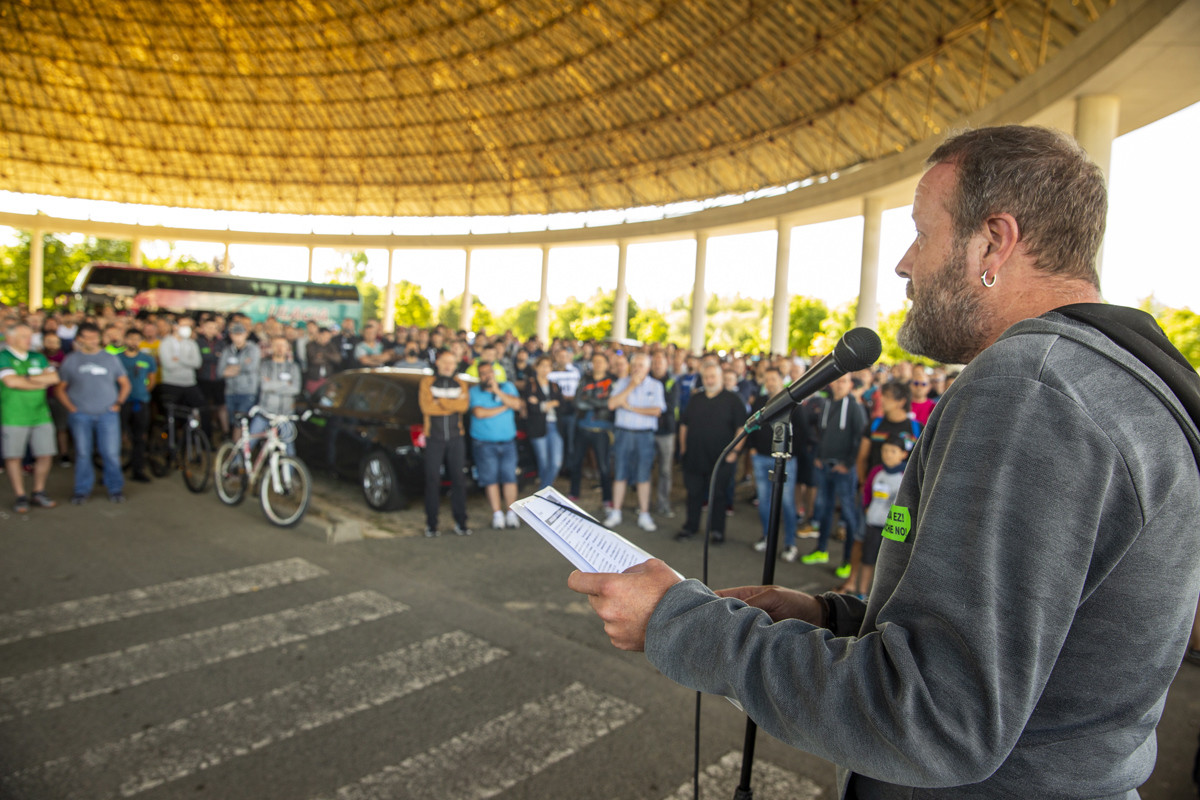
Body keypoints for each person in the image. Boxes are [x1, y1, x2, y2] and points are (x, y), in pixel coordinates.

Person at [567, 125, 1200, 799]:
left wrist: (677, 621)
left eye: (921, 234)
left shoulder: (1031, 385)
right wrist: (834, 618)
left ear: (993, 241)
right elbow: (1033, 638)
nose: (903, 263)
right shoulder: (1124, 376)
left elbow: (936, 717)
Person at [801, 372, 868, 576]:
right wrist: (819, 456)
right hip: (824, 466)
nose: (840, 385)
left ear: (850, 385)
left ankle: (848, 560)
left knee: (848, 514)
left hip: (844, 470)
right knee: (824, 509)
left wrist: (848, 464)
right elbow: (820, 433)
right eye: (837, 381)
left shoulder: (855, 407)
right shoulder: (825, 404)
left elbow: (860, 438)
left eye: (844, 381)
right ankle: (821, 550)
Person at [56, 323, 130, 504]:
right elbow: (60, 388)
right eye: (88, 337)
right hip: (81, 415)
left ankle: (115, 488)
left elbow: (125, 383)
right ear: (79, 339)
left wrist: (118, 403)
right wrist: (71, 408)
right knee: (83, 453)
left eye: (95, 337)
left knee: (111, 454)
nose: (92, 341)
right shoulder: (71, 360)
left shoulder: (110, 358)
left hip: (108, 414)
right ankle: (82, 490)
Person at [675, 362, 746, 543]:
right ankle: (690, 526)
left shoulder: (733, 400)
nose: (709, 380)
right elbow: (684, 424)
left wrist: (734, 452)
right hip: (694, 456)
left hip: (721, 459)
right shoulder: (696, 399)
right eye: (706, 377)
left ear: (721, 378)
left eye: (713, 376)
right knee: (693, 494)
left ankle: (717, 531)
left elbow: (742, 428)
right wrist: (683, 447)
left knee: (718, 496)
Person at [746, 366, 809, 562]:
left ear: (782, 380)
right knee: (764, 502)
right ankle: (767, 536)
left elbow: (803, 432)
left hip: (785, 460)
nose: (770, 382)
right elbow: (752, 425)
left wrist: (791, 452)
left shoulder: (793, 403)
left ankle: (790, 543)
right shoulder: (760, 401)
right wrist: (752, 448)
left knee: (787, 503)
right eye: (767, 378)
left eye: (774, 378)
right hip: (761, 458)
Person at [839, 433, 908, 598]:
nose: (888, 454)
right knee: (868, 559)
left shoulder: (906, 474)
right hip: (873, 523)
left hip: (894, 528)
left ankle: (885, 596)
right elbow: (867, 490)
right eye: (885, 450)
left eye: (893, 451)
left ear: (904, 454)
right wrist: (867, 507)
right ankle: (863, 593)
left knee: (891, 563)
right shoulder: (877, 470)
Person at [0, 322, 60, 512]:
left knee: (45, 453)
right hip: (14, 415)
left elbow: (54, 378)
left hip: (41, 414)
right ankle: (20, 495)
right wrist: (38, 382)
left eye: (30, 336)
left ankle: (38, 490)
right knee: (14, 456)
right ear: (10, 338)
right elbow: (10, 382)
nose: (29, 340)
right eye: (24, 336)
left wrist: (24, 379)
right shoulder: (3, 357)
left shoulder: (38, 357)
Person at [604, 352, 665, 531]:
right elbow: (612, 404)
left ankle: (644, 514)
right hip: (623, 433)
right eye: (635, 365)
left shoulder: (656, 385)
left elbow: (656, 411)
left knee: (643, 475)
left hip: (645, 435)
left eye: (641, 365)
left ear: (648, 368)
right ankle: (616, 512)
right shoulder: (622, 383)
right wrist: (631, 386)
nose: (637, 368)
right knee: (620, 472)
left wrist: (630, 407)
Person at [417, 349, 472, 538]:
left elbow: (463, 407)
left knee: (459, 480)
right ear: (437, 363)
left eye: (452, 362)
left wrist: (439, 401)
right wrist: (452, 403)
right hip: (434, 438)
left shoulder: (461, 383)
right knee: (432, 481)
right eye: (445, 362)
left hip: (456, 439)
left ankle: (461, 522)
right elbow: (426, 407)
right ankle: (431, 524)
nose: (448, 366)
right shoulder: (427, 382)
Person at [468, 361, 523, 530]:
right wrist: (504, 406)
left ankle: (511, 513)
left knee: (509, 477)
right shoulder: (474, 391)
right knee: (490, 479)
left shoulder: (506, 387)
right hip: (484, 443)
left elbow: (517, 405)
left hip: (507, 442)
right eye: (483, 373)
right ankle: (497, 514)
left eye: (489, 372)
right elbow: (479, 413)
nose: (487, 376)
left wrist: (498, 392)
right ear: (479, 376)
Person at [569, 353, 615, 509]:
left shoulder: (612, 382)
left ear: (607, 364)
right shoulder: (584, 379)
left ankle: (607, 499)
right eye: (595, 361)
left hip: (601, 430)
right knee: (576, 462)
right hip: (582, 427)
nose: (598, 364)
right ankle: (574, 493)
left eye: (601, 361)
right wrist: (598, 404)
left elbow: (610, 404)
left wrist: (589, 400)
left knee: (603, 466)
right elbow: (577, 402)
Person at [116, 328, 156, 483]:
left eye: (137, 339)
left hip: (141, 402)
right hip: (121, 403)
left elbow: (152, 379)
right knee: (117, 437)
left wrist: (144, 392)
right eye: (131, 338)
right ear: (125, 339)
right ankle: (114, 471)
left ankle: (137, 469)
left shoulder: (147, 359)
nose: (134, 342)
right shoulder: (117, 358)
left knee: (140, 437)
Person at [158, 317, 208, 437]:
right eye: (184, 325)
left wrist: (178, 358)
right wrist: (187, 361)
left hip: (189, 383)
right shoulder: (166, 342)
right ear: (175, 326)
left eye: (189, 326)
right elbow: (168, 365)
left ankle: (202, 439)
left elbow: (197, 363)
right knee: (171, 416)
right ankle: (171, 445)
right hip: (171, 384)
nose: (187, 329)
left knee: (203, 409)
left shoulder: (191, 343)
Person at [251, 336, 301, 454]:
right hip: (265, 412)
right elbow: (264, 386)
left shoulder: (293, 367)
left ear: (287, 348)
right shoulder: (265, 365)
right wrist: (285, 384)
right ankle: (236, 465)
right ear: (272, 347)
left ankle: (289, 472)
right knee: (250, 441)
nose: (280, 348)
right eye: (276, 345)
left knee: (288, 447)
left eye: (283, 345)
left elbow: (295, 389)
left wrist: (272, 385)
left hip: (285, 414)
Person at [523, 355, 564, 491]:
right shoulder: (531, 385)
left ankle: (543, 490)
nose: (545, 369)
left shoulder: (554, 386)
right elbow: (532, 408)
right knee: (543, 461)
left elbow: (562, 405)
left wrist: (541, 404)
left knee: (556, 462)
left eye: (548, 366)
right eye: (543, 366)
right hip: (538, 427)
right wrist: (550, 404)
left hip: (554, 426)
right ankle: (544, 493)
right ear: (537, 367)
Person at [649, 351, 681, 517]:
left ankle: (663, 503)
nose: (657, 365)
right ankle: (645, 505)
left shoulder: (672, 382)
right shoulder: (645, 379)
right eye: (654, 362)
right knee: (646, 468)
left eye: (660, 362)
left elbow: (670, 405)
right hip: (648, 431)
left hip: (666, 432)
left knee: (665, 471)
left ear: (666, 364)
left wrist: (650, 408)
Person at [220, 323, 261, 426]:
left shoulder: (253, 349)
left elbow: (251, 367)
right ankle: (231, 439)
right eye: (235, 334)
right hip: (230, 391)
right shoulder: (227, 350)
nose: (238, 337)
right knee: (232, 421)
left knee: (241, 422)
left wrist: (231, 369)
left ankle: (236, 442)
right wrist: (243, 365)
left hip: (248, 391)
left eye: (240, 334)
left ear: (246, 334)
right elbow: (221, 372)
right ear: (231, 335)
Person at [195, 317, 228, 437]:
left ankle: (225, 433)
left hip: (219, 380)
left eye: (214, 327)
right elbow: (200, 360)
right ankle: (201, 433)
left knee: (221, 405)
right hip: (203, 380)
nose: (211, 330)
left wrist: (210, 356)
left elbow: (224, 359)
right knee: (203, 407)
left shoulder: (222, 343)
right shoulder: (198, 342)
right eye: (208, 327)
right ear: (203, 328)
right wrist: (215, 356)